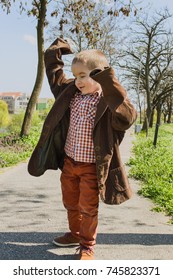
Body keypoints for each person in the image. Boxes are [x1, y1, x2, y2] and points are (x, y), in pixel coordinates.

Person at [28, 37, 137, 260]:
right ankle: (75, 233)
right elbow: (55, 75)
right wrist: (54, 53)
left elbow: (127, 118)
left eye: (83, 76)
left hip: (90, 166)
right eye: (75, 75)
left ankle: (87, 245)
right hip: (70, 162)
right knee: (70, 201)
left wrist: (109, 81)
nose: (77, 81)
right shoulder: (70, 93)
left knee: (87, 206)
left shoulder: (108, 101)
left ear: (99, 76)